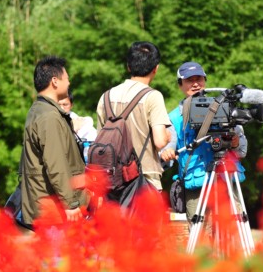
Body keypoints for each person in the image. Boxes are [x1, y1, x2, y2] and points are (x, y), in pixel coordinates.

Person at [165, 61, 247, 226]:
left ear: (205, 81)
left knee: (233, 236)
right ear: (180, 85)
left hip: (227, 183)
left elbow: (242, 151)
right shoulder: (174, 118)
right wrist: (166, 152)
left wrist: (235, 142)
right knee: (201, 240)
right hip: (196, 186)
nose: (195, 84)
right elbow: (168, 148)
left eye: (199, 79)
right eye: (190, 80)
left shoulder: (224, 108)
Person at [96, 41, 175, 191]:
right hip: (145, 179)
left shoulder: (106, 97)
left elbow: (100, 139)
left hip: (112, 182)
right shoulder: (152, 96)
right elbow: (159, 141)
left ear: (128, 66)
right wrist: (167, 136)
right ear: (155, 69)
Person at [20, 56, 88, 229]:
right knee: (59, 256)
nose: (69, 82)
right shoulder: (49, 117)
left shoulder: (38, 110)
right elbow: (56, 164)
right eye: (66, 78)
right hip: (54, 212)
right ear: (55, 81)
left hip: (47, 207)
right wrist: (71, 204)